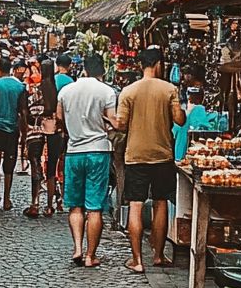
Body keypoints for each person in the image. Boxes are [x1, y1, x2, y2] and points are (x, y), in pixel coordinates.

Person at [116, 46, 186, 273]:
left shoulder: (128, 91)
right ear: (159, 65)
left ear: (140, 65)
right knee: (160, 203)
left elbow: (122, 125)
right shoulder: (169, 89)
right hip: (162, 155)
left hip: (135, 155)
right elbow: (180, 120)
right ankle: (157, 255)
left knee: (135, 205)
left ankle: (136, 260)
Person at [56, 53, 118, 267]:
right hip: (98, 151)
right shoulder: (107, 91)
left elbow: (59, 118)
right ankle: (91, 255)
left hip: (74, 151)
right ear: (101, 71)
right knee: (94, 208)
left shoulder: (66, 91)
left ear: (83, 69)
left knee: (75, 206)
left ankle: (77, 248)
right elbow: (114, 121)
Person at [21, 59, 62, 218]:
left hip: (36, 129)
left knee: (36, 166)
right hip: (54, 130)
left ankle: (35, 203)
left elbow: (27, 112)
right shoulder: (57, 91)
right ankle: (50, 206)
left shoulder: (34, 90)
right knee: (51, 169)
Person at [0, 56, 26, 210]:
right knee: (9, 165)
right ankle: (7, 198)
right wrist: (24, 133)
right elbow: (23, 112)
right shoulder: (20, 87)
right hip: (12, 129)